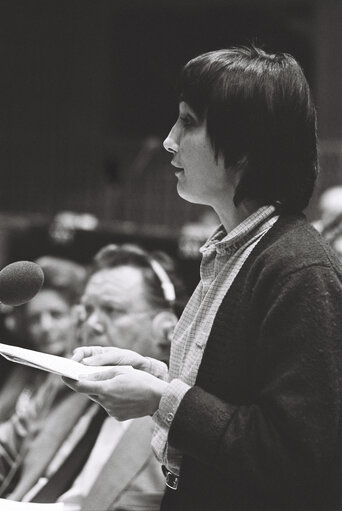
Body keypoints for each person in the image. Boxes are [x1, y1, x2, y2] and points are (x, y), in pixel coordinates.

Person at [64, 45, 342, 511]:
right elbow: (232, 398)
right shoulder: (237, 249)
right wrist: (156, 376)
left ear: (246, 145)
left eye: (189, 122)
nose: (170, 141)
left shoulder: (299, 269)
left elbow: (296, 456)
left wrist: (161, 400)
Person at [0, 243, 187, 511]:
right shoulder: (63, 384)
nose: (91, 324)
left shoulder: (178, 419)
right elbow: (6, 449)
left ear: (165, 328)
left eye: (111, 310)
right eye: (87, 310)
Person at [0, 255, 86, 422]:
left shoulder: (81, 378)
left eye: (56, 315)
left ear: (78, 315)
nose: (46, 327)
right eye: (35, 319)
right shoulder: (22, 371)